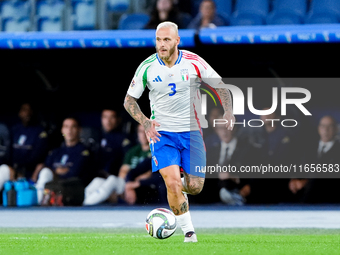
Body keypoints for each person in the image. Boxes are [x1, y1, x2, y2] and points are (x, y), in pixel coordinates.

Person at [123, 21, 235, 242]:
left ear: (177, 40)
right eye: (158, 40)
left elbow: (220, 86)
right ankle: (189, 234)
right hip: (162, 135)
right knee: (172, 182)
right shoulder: (147, 67)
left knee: (195, 187)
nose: (161, 44)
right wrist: (145, 122)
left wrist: (228, 112)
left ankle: (176, 189)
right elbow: (129, 100)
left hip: (191, 132)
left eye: (166, 40)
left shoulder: (193, 62)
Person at [34, 116, 92, 204]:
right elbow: (46, 168)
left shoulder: (84, 152)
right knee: (44, 172)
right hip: (54, 188)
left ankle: (37, 202)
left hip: (71, 190)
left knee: (46, 173)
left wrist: (54, 173)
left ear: (79, 130)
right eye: (66, 127)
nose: (69, 130)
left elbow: (73, 174)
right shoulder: (56, 151)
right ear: (62, 130)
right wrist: (58, 172)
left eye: (73, 127)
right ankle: (38, 200)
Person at [82, 108, 132, 206]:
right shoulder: (97, 137)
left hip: (119, 181)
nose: (108, 121)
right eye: (105, 117)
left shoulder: (124, 139)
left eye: (112, 117)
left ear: (118, 119)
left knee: (111, 180)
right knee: (94, 184)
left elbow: (128, 163)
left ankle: (85, 207)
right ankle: (86, 207)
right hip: (103, 179)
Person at [289, 115, 340, 203]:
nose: (326, 130)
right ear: (319, 129)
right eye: (323, 126)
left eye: (330, 126)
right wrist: (295, 179)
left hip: (330, 198)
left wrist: (307, 182)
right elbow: (300, 167)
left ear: (336, 129)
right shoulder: (308, 148)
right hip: (304, 197)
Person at [0, 102, 49, 191]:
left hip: (31, 174)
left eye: (29, 110)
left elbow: (38, 157)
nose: (26, 113)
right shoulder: (14, 130)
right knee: (3, 169)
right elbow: (8, 154)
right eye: (24, 110)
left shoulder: (40, 132)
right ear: (19, 113)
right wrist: (13, 171)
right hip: (13, 171)